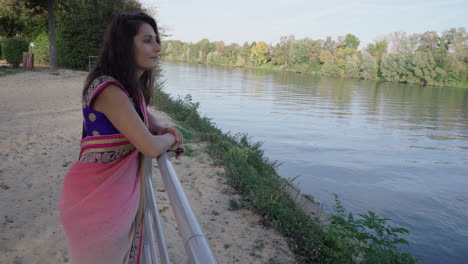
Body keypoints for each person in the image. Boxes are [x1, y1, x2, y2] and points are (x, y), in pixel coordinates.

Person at [59, 12, 184, 264]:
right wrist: (172, 137)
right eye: (147, 41)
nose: (157, 48)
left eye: (156, 40)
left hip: (110, 199)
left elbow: (140, 114)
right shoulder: (109, 89)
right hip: (95, 203)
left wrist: (159, 125)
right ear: (125, 45)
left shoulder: (126, 89)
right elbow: (149, 147)